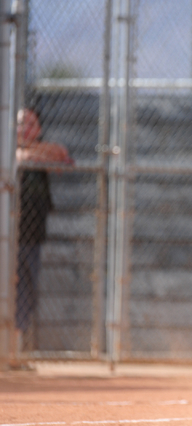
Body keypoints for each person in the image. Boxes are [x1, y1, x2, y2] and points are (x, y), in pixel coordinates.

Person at [14, 107, 73, 352]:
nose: (25, 129)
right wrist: (22, 155)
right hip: (7, 235)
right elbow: (17, 158)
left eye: (31, 124)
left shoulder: (41, 148)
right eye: (20, 123)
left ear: (38, 130)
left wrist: (25, 153)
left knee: (26, 289)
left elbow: (60, 155)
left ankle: (13, 349)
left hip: (31, 236)